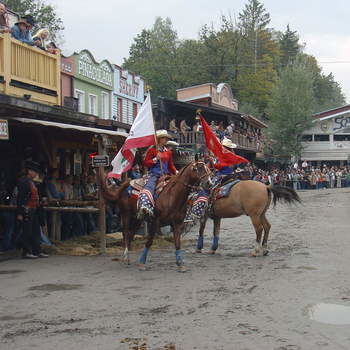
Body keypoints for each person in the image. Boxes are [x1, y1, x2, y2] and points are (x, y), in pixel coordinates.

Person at [137, 130, 177, 218]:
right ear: (159, 139)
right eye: (164, 137)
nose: (166, 139)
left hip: (166, 175)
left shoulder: (168, 152)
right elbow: (146, 163)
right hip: (154, 174)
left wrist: (177, 172)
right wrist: (155, 159)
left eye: (166, 138)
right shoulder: (152, 150)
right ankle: (145, 205)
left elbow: (171, 165)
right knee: (149, 187)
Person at [16, 161, 48, 259]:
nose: (36, 174)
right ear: (29, 171)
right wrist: (20, 212)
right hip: (27, 209)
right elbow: (21, 198)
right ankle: (26, 251)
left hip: (34, 209)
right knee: (27, 231)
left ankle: (36, 250)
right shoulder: (24, 181)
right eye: (35, 171)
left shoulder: (32, 182)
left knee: (35, 231)